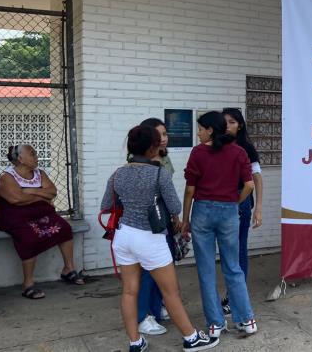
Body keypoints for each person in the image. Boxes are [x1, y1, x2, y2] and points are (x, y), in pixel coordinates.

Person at [101, 126, 216, 352]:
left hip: (124, 237)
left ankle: (135, 342)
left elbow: (106, 205)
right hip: (150, 238)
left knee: (129, 291)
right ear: (153, 147)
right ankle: (192, 338)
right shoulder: (158, 173)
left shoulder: (117, 173)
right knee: (170, 292)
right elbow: (174, 206)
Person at [182, 111, 257, 341]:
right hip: (228, 212)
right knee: (233, 267)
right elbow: (249, 185)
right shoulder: (239, 152)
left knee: (206, 270)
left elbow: (190, 190)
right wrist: (234, 203)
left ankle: (215, 323)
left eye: (201, 129)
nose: (198, 133)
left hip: (203, 211)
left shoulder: (198, 153)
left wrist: (185, 219)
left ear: (211, 130)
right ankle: (246, 319)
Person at [0, 144, 84, 299]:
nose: (37, 157)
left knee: (64, 228)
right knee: (29, 239)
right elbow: (16, 199)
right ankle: (28, 284)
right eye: (33, 154)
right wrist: (40, 196)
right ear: (21, 159)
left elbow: (52, 192)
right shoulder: (7, 177)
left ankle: (68, 269)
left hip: (40, 214)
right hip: (16, 217)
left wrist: (30, 190)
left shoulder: (39, 173)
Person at [220, 108, 264, 317]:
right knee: (227, 250)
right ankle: (231, 294)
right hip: (219, 200)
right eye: (224, 122)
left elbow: (257, 179)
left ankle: (235, 297)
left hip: (241, 200)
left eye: (232, 121)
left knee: (238, 249)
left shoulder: (245, 147)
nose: (227, 125)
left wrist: (259, 207)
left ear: (239, 125)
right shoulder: (217, 145)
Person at [135, 118, 176, 336]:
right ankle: (143, 315)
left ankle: (157, 306)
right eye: (159, 134)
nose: (164, 138)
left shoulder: (164, 159)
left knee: (164, 268)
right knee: (149, 272)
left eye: (166, 133)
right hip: (148, 223)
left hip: (164, 219)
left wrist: (174, 216)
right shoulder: (140, 163)